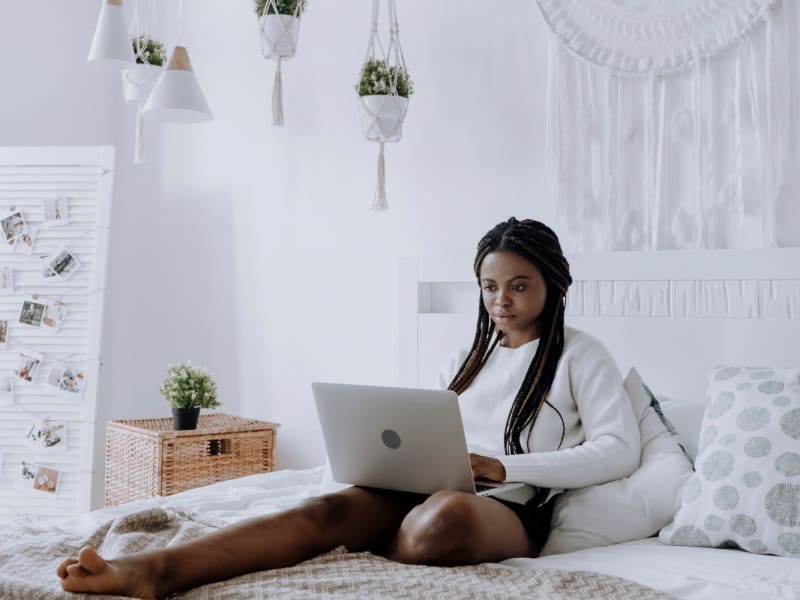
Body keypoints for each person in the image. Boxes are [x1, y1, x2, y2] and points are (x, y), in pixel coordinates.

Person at [57, 217, 640, 599]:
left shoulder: (581, 355)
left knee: (448, 518)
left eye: (519, 285)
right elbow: (423, 429)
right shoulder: (465, 356)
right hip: (424, 491)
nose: (501, 300)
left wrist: (503, 468)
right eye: (490, 286)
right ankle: (154, 570)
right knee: (322, 511)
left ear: (553, 285)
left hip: (508, 508)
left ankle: (374, 542)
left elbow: (619, 450)